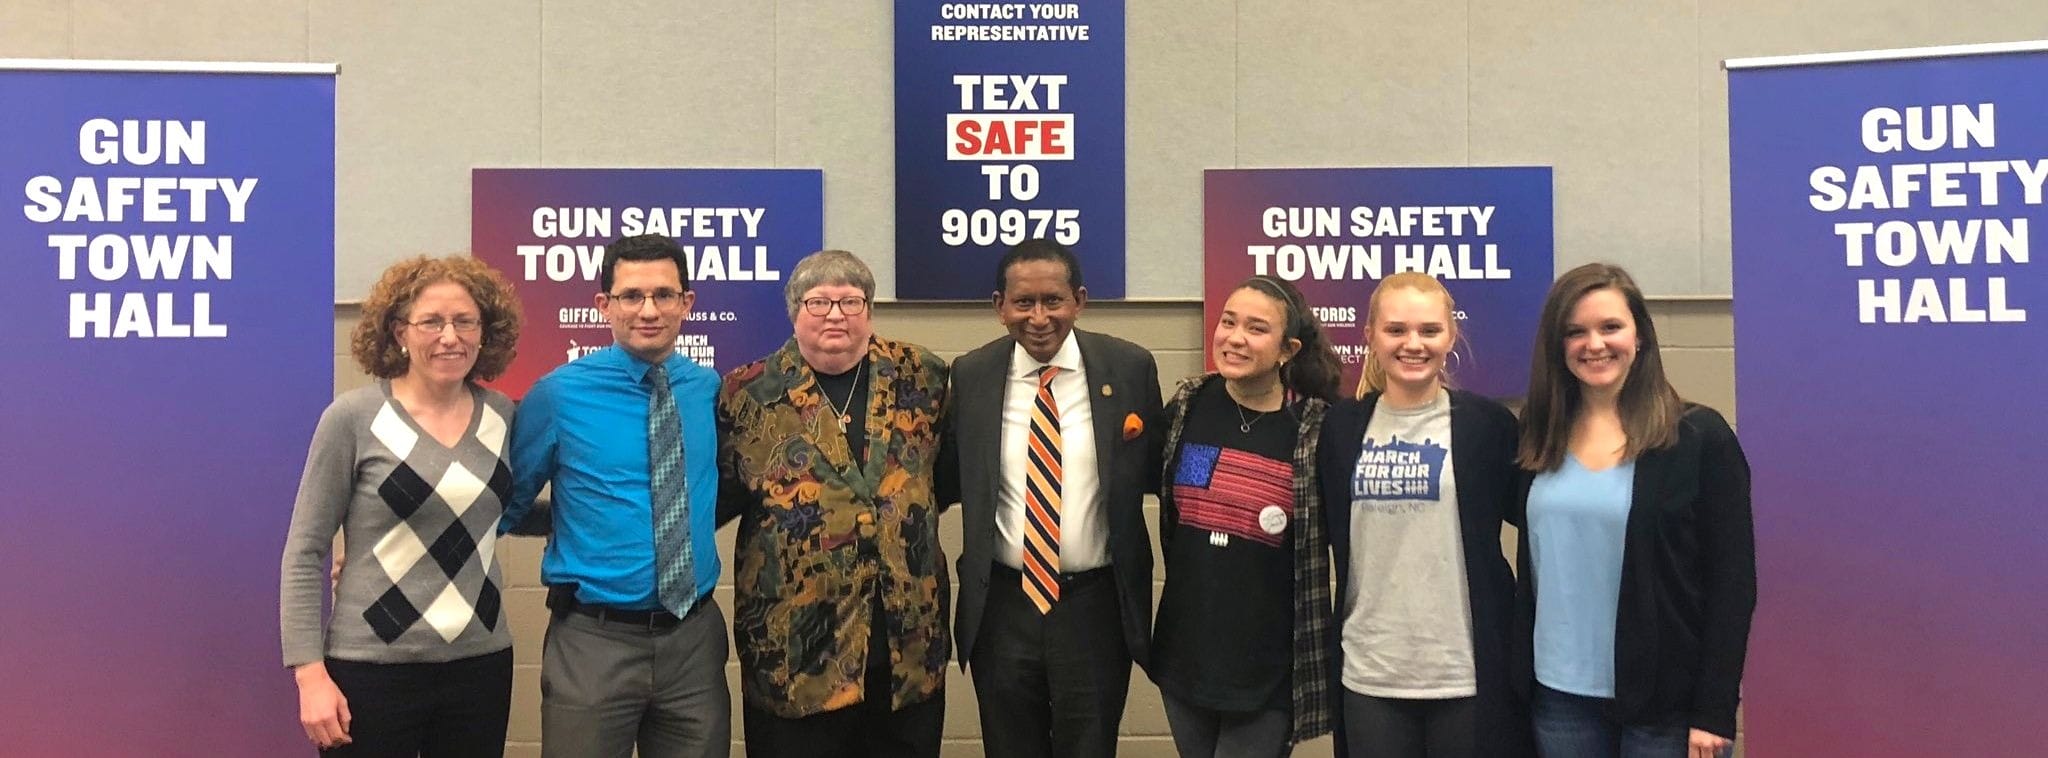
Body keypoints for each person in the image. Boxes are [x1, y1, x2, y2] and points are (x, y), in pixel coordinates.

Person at [280, 254, 524, 755]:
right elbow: (305, 552)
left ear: (485, 332)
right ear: (399, 333)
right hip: (370, 670)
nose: (449, 337)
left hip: (480, 664)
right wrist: (309, 675)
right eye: (431, 322)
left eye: (464, 321)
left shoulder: (503, 416)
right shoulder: (353, 418)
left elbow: (502, 509)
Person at [499, 234, 730, 758]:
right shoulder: (558, 395)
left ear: (686, 303)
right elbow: (502, 504)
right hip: (593, 642)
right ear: (604, 304)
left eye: (664, 295)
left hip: (693, 641)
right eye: (631, 295)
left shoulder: (708, 389)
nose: (648, 310)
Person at [1513, 263, 1755, 758]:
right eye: (1575, 332)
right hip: (1559, 698)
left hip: (1668, 705)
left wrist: (1713, 710)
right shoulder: (1537, 439)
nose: (1594, 344)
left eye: (1610, 327)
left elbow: (1733, 584)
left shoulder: (1699, 437)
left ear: (1640, 335)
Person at [717, 250, 951, 757]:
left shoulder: (923, 378)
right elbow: (721, 497)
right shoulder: (747, 393)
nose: (836, 315)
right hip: (796, 652)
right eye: (819, 302)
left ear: (869, 309)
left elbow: (945, 482)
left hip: (905, 648)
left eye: (851, 300)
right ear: (793, 310)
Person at [941, 239, 1165, 758]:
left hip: (1095, 606)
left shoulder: (1129, 368)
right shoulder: (971, 375)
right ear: (1000, 307)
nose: (1039, 317)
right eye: (1023, 303)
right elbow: (944, 481)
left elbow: (1157, 472)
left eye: (1053, 301)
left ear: (1079, 301)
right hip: (1003, 605)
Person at [1315, 272, 1529, 758]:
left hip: (1466, 672)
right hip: (1371, 672)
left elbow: (1540, 523)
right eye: (1396, 330)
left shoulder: (1488, 426)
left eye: (1429, 331)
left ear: (1450, 336)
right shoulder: (1341, 427)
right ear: (1369, 336)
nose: (1413, 344)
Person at [1150, 275, 1342, 757]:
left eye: (1256, 329)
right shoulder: (1189, 405)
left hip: (1268, 669)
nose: (1234, 337)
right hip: (1184, 656)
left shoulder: (1315, 428)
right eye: (1228, 322)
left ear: (1286, 349)